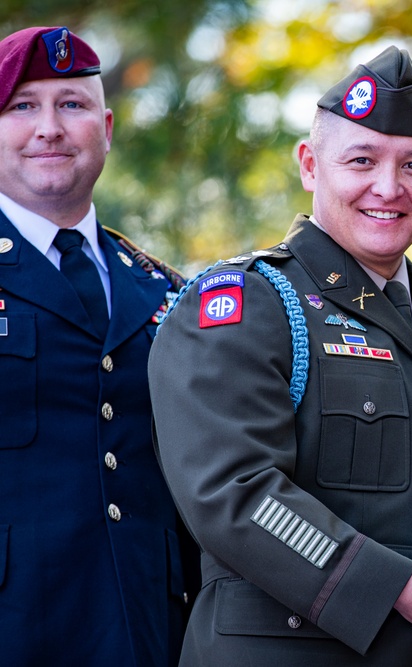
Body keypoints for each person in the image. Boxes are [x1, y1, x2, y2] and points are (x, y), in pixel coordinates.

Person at [147, 46, 412, 666]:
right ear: (311, 165)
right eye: (362, 160)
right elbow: (233, 493)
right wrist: (390, 586)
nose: (388, 188)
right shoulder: (246, 306)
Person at [0, 26, 194, 665]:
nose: (49, 127)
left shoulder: (167, 290)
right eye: (22, 106)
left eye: (72, 104)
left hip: (147, 627)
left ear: (106, 126)